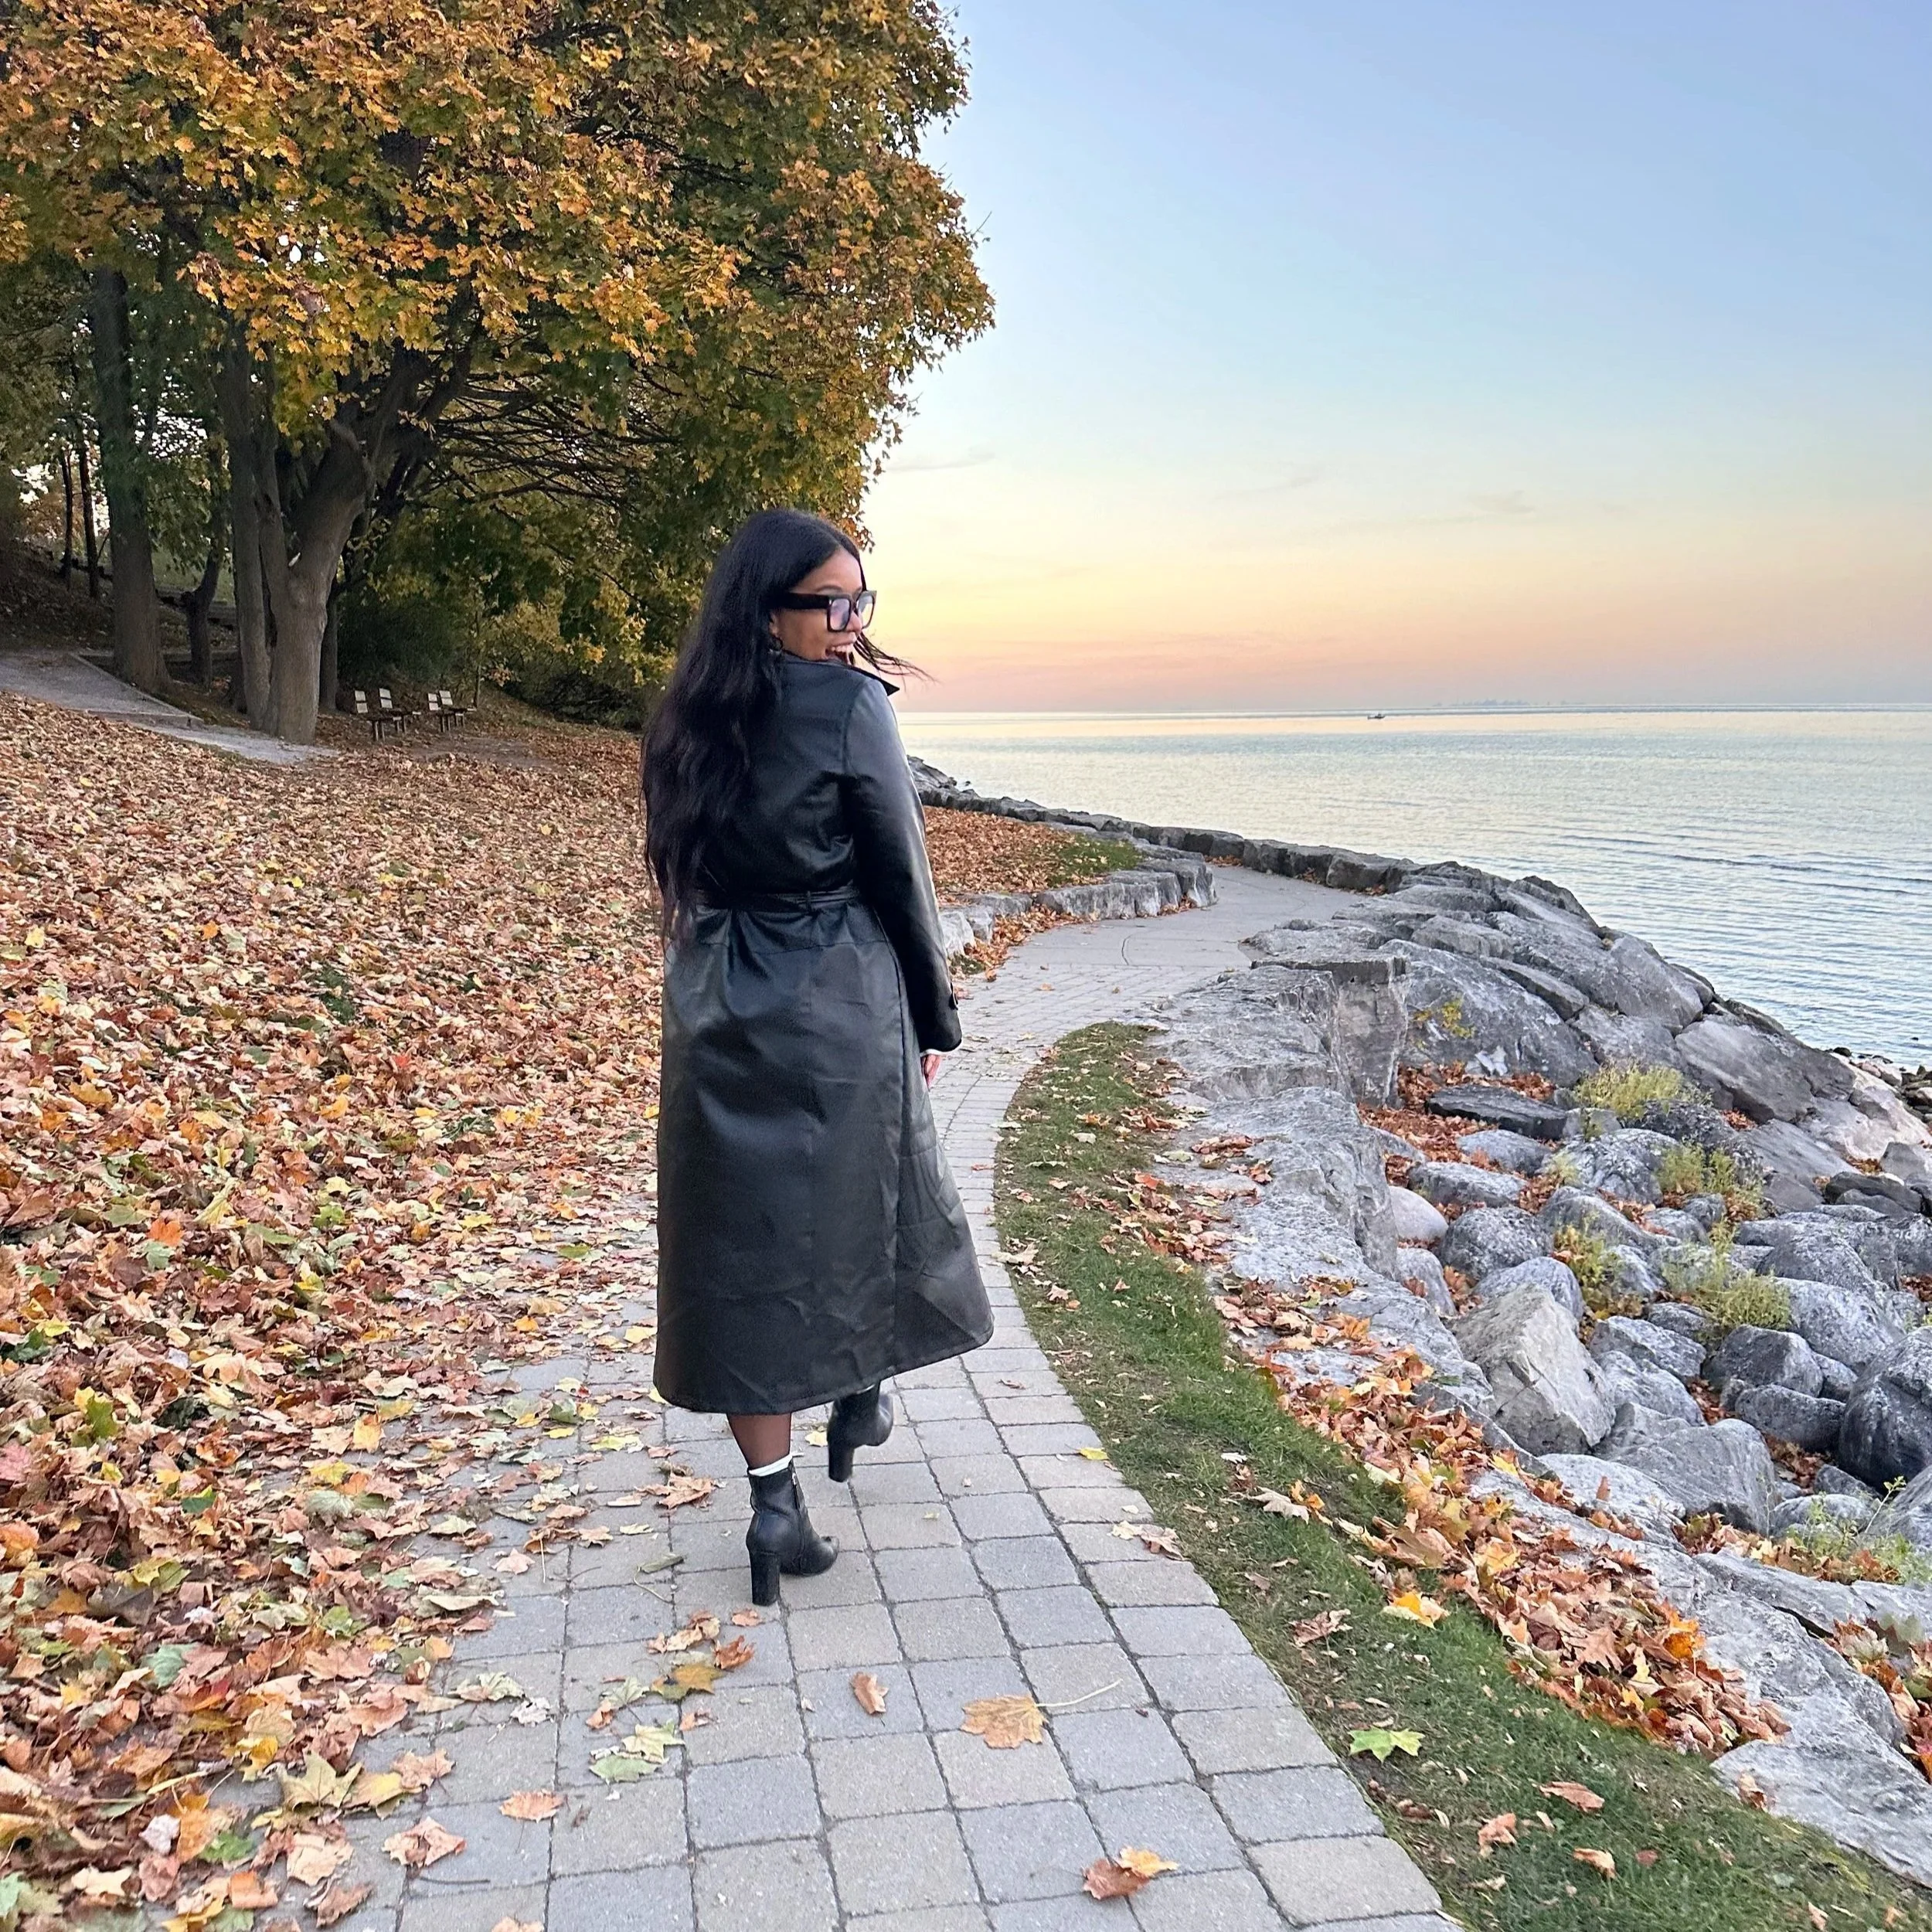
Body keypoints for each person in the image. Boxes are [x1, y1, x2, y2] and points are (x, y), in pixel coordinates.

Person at [642, 509, 992, 1605]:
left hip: (716, 1002)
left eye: (859, 601)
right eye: (831, 604)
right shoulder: (850, 708)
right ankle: (859, 1393)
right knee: (866, 1205)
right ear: (769, 611)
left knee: (741, 1251)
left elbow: (685, 871)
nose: (851, 624)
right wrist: (934, 1016)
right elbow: (900, 874)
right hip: (838, 995)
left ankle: (775, 1503)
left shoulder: (683, 716)